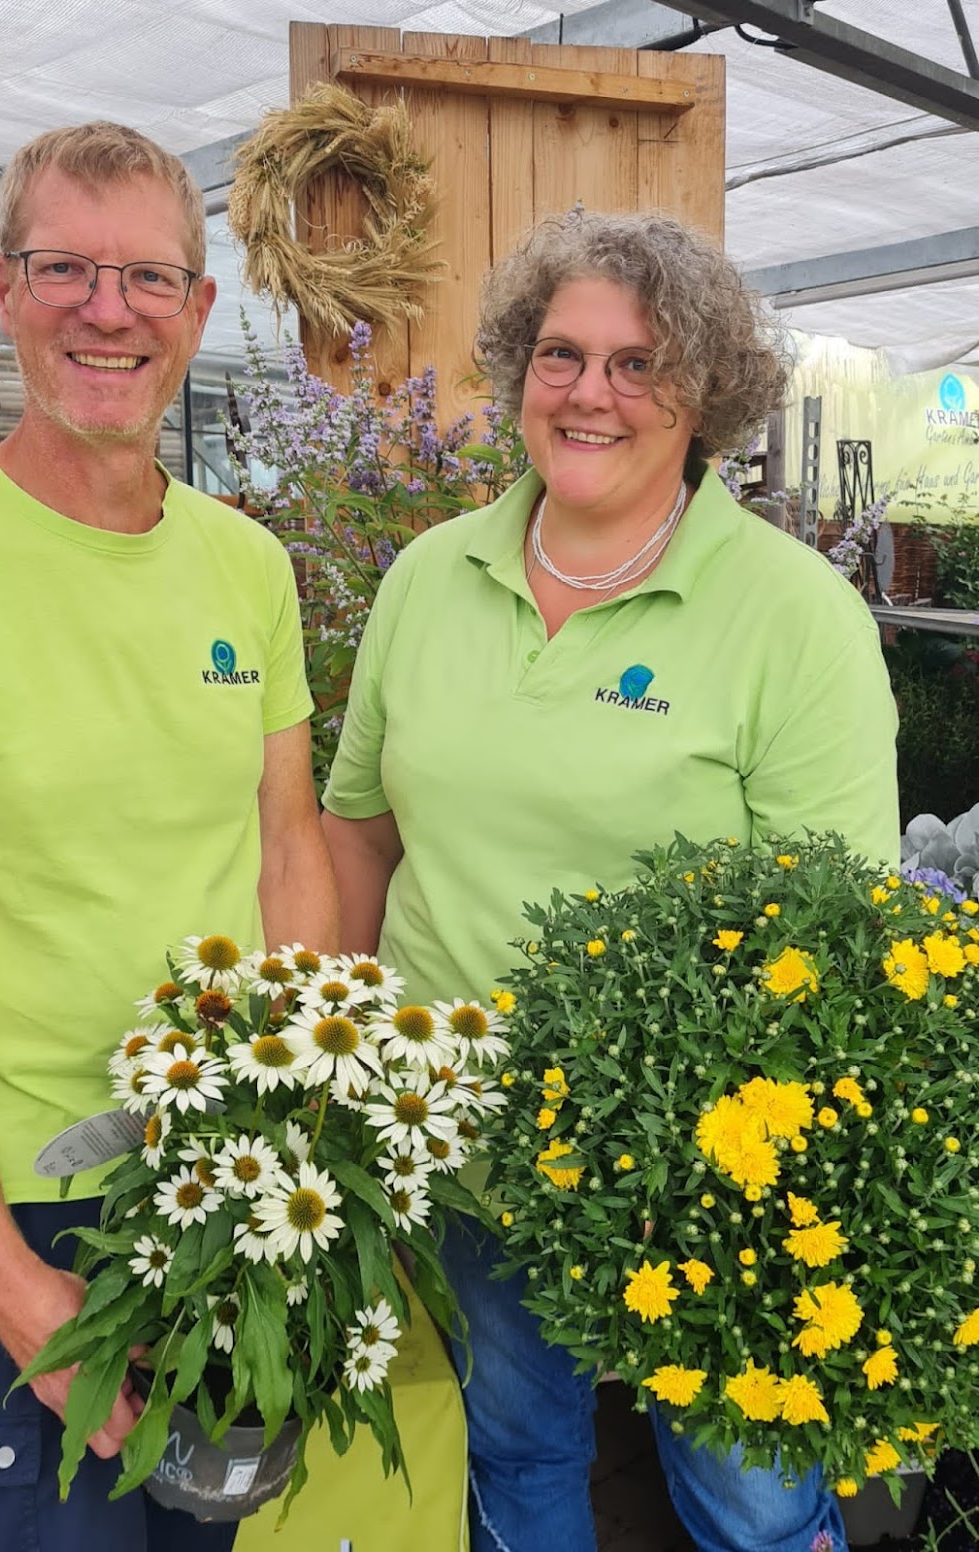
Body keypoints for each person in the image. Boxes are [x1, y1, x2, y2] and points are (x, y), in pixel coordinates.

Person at [0, 121, 337, 1552]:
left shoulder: (248, 567)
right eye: (65, 270)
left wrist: (299, 1131)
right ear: (3, 285)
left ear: (198, 309)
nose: (110, 310)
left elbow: (287, 851)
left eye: (148, 277)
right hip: (36, 1202)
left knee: (203, 1531)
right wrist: (2, 1277)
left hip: (219, 1180)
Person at [321, 210, 898, 1552]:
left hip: (700, 1166)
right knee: (517, 1461)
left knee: (752, 1497)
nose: (592, 393)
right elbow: (358, 833)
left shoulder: (790, 616)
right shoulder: (429, 578)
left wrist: (730, 1163)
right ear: (520, 369)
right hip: (462, 1142)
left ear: (707, 398)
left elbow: (836, 939)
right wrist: (335, 1082)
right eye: (563, 355)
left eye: (642, 365)